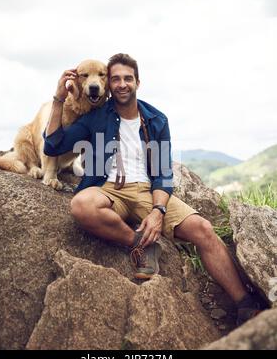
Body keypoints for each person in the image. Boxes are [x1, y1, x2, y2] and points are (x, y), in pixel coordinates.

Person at [44, 53, 261, 325]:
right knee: (80, 206)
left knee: (203, 229)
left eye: (127, 78)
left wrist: (158, 210)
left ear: (137, 82)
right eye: (116, 79)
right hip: (108, 189)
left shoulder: (156, 120)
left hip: (147, 192)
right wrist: (58, 99)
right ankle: (139, 245)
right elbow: (52, 145)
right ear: (109, 85)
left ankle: (245, 304)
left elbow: (162, 173)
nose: (122, 84)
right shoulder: (96, 117)